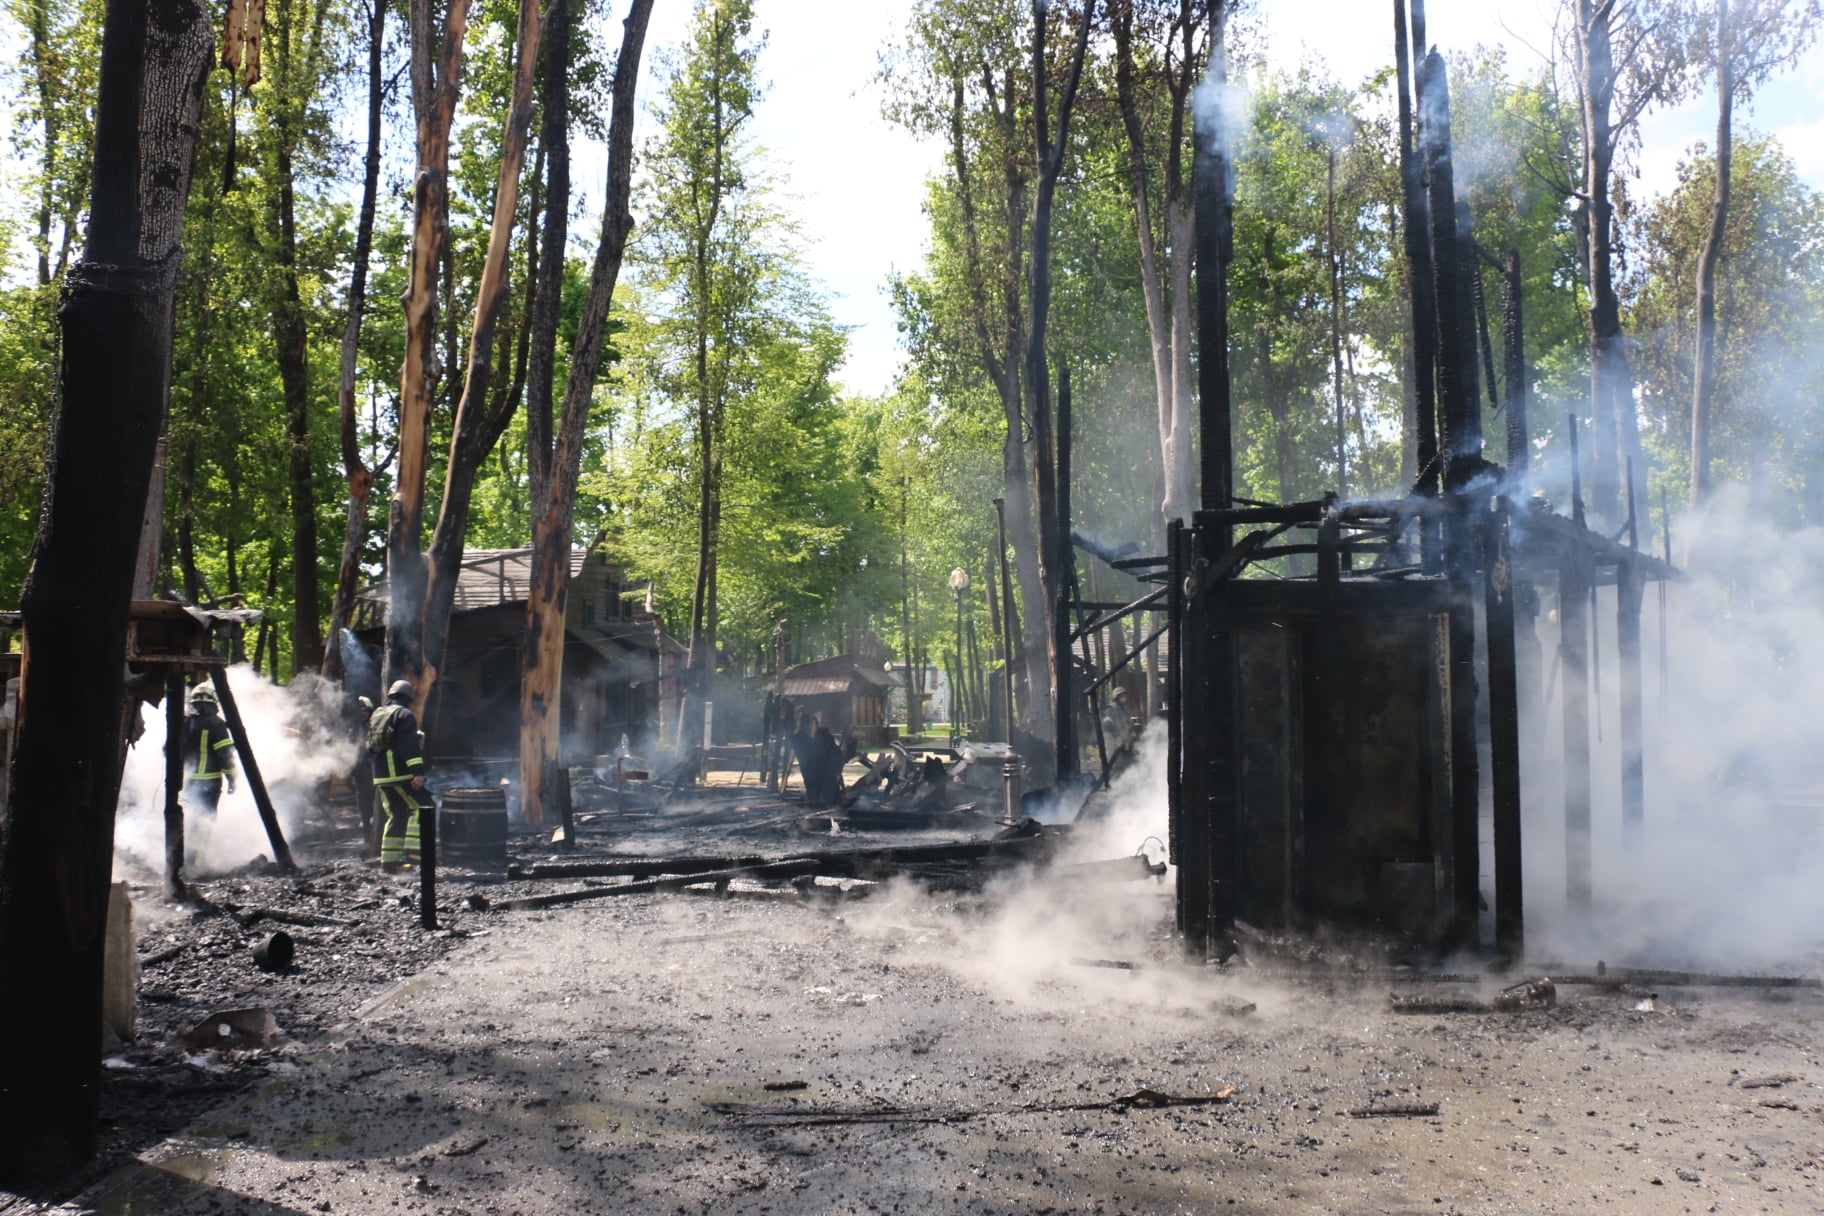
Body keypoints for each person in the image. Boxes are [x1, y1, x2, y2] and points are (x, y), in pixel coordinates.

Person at [368, 679, 429, 872]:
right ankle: (414, 855)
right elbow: (409, 746)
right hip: (399, 774)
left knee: (396, 814)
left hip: (380, 775)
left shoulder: (378, 714)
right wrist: (417, 773)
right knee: (422, 807)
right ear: (408, 697)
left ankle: (390, 863)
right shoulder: (404, 715)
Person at [181, 684, 239, 866]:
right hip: (210, 783)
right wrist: (232, 778)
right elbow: (225, 754)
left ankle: (183, 862)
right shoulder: (216, 723)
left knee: (190, 820)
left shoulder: (185, 722)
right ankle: (196, 865)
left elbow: (168, 750)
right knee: (204, 822)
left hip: (188, 782)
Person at [1100, 686, 1135, 757]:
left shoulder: (1125, 710)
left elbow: (1131, 728)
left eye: (1125, 696)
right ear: (1116, 698)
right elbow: (1106, 729)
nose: (1124, 699)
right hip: (1115, 749)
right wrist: (1110, 744)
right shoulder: (1110, 710)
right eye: (1122, 697)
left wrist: (1133, 743)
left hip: (1126, 747)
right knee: (1116, 766)